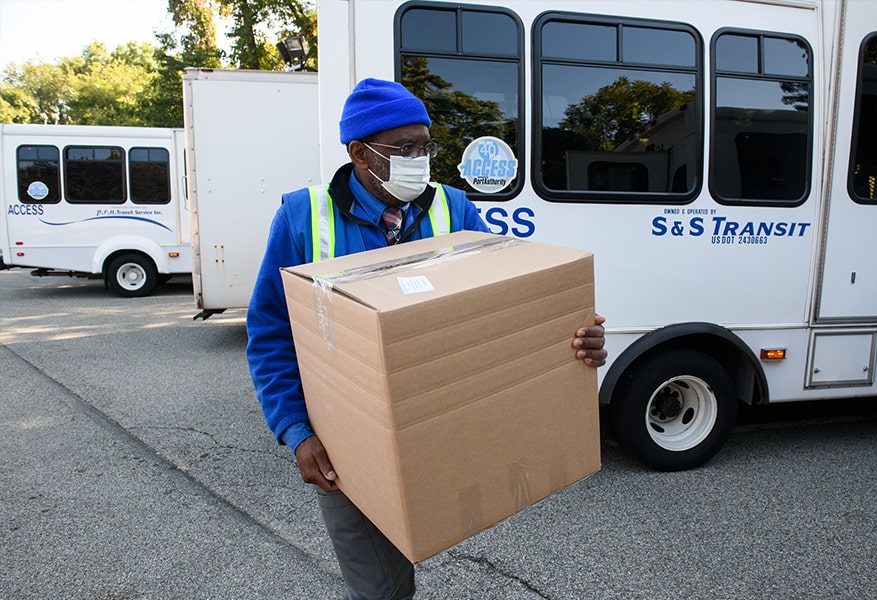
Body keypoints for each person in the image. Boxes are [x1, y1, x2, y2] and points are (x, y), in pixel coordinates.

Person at [246, 78, 608, 600]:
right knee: (380, 590)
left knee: (425, 547)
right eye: (403, 149)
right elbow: (270, 332)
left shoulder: (452, 209)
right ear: (358, 153)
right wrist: (295, 430)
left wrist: (573, 335)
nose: (419, 159)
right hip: (347, 442)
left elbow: (505, 301)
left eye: (425, 146)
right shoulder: (303, 217)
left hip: (435, 420)